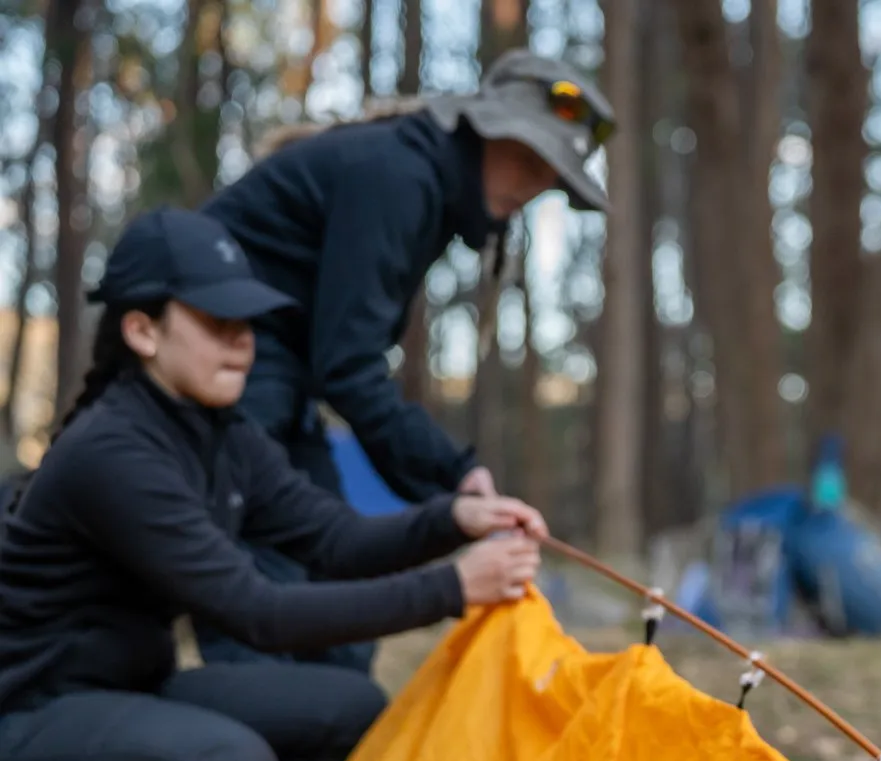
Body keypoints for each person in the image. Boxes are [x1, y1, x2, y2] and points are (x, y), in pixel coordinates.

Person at [0, 207, 547, 761]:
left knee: (349, 714)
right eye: (218, 320)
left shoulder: (221, 434)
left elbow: (333, 539)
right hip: (21, 727)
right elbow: (256, 609)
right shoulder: (114, 452)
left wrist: (451, 518)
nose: (244, 340)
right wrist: (455, 586)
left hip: (121, 701)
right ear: (142, 331)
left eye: (249, 320)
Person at [198, 50, 613, 669]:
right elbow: (347, 363)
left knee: (338, 612)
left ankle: (325, 738)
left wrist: (457, 494)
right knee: (266, 598)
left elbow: (333, 355)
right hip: (219, 366)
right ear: (482, 131)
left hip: (281, 377)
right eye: (528, 157)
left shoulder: (418, 179)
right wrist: (455, 473)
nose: (534, 186)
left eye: (550, 174)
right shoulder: (398, 176)